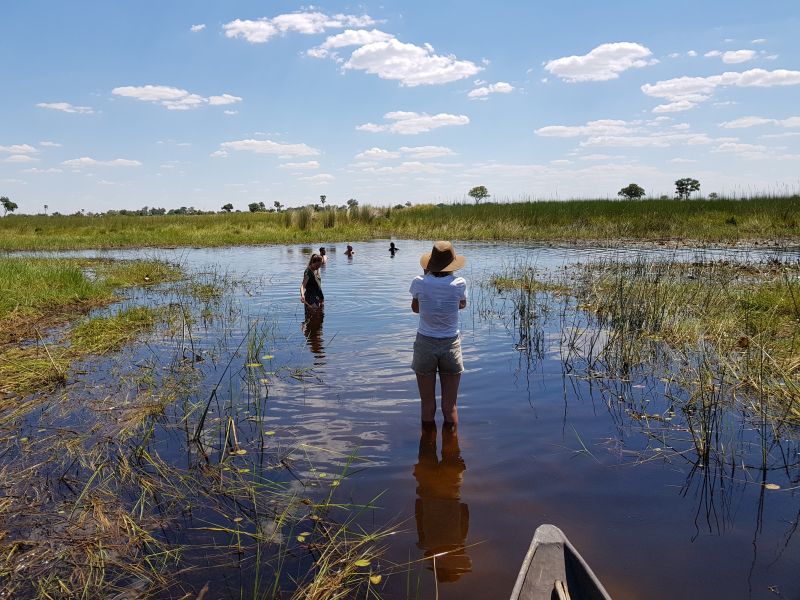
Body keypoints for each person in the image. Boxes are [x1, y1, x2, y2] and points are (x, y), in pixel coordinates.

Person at [410, 241, 467, 427]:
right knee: (450, 407)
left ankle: (426, 449)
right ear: (452, 263)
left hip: (425, 344)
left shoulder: (419, 281)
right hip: (450, 345)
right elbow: (462, 304)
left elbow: (415, 309)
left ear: (430, 263)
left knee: (427, 405)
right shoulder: (459, 283)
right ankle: (452, 449)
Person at [414, 422, 471, 582]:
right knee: (428, 452)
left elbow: (465, 511)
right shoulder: (425, 543)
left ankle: (436, 432)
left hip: (451, 491)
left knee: (450, 452)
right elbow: (418, 513)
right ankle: (435, 434)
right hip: (428, 492)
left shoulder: (460, 539)